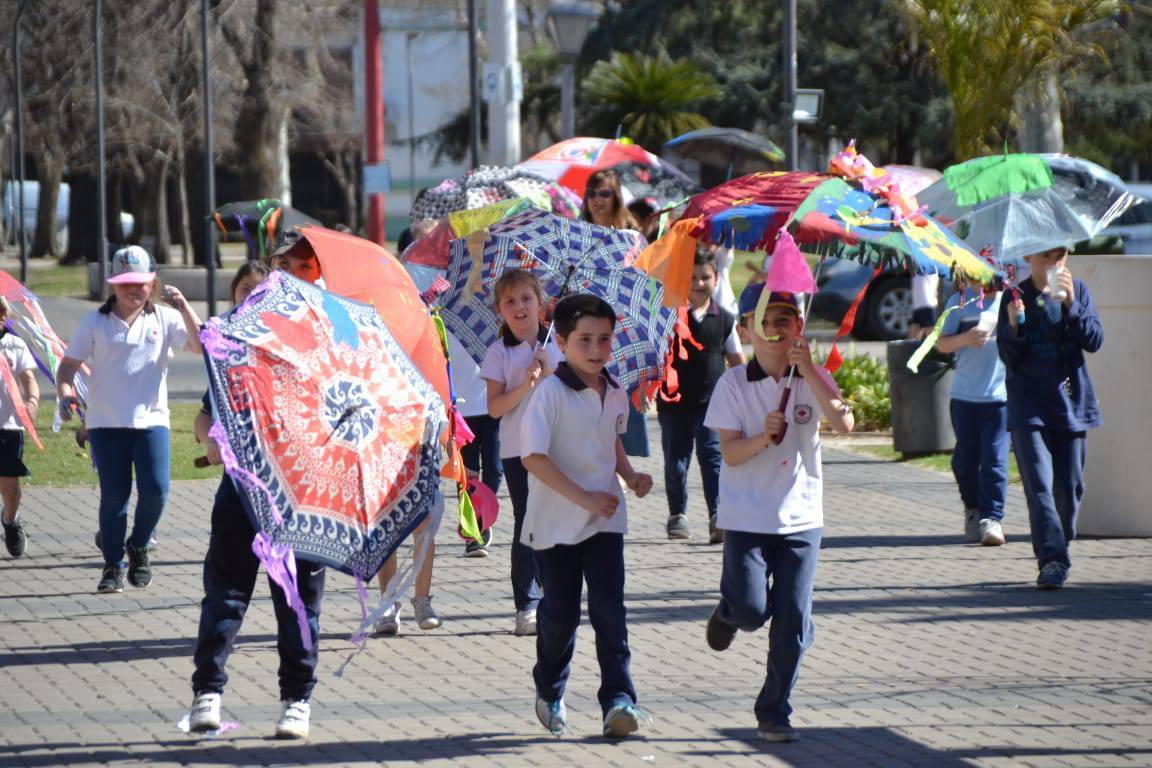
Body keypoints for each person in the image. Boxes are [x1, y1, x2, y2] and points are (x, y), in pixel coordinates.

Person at [703, 284, 854, 743]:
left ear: (798, 327)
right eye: (763, 322)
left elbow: (845, 422)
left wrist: (810, 369)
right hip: (747, 517)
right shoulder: (732, 384)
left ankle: (774, 709)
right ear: (745, 329)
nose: (773, 330)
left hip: (801, 519)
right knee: (752, 611)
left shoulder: (811, 374)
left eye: (784, 321)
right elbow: (728, 453)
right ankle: (729, 612)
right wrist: (762, 439)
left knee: (792, 620)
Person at [187, 260, 323, 739]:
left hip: (297, 500)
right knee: (225, 595)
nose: (252, 300)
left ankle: (297, 700)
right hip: (239, 494)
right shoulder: (229, 355)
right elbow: (206, 418)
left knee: (298, 605)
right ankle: (207, 691)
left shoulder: (308, 353)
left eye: (262, 292)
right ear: (234, 299)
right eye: (244, 291)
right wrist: (209, 440)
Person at [520, 294, 654, 738]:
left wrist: (630, 475)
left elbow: (609, 439)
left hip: (605, 522)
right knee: (560, 617)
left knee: (609, 611)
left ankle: (618, 699)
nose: (597, 349)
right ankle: (550, 689)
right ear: (560, 341)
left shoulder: (614, 390)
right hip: (555, 525)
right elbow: (533, 459)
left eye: (604, 339)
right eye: (584, 340)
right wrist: (585, 498)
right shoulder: (548, 395)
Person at [57, 245, 203, 594]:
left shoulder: (165, 318)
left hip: (152, 421)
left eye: (139, 283)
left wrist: (184, 308)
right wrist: (66, 394)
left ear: (152, 283)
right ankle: (112, 566)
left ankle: (138, 545)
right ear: (113, 285)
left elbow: (201, 345)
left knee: (156, 490)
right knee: (114, 497)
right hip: (106, 424)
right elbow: (68, 366)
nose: (132, 290)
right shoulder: (95, 321)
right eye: (125, 283)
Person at [997, 247, 1102, 590]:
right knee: (1039, 488)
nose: (1055, 266)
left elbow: (1094, 340)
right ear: (1028, 258)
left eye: (1061, 258)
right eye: (1046, 259)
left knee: (1069, 490)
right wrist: (1016, 325)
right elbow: (1008, 356)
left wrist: (1072, 305)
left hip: (1071, 402)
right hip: (1028, 406)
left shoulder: (1079, 291)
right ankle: (1053, 561)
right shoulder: (1015, 296)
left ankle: (1060, 540)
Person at [481, 269, 561, 636]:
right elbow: (495, 408)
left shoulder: (557, 346)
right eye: (510, 301)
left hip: (557, 446)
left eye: (526, 299)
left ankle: (554, 590)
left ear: (541, 304)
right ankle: (526, 604)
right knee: (527, 521)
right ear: (499, 309)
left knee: (555, 519)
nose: (519, 307)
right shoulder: (499, 352)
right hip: (518, 450)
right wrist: (525, 384)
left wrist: (550, 371)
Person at [658, 249, 744, 543]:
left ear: (716, 278)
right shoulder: (669, 317)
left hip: (713, 406)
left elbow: (737, 362)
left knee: (713, 460)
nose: (699, 283)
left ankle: (717, 516)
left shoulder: (725, 320)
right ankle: (677, 515)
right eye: (692, 277)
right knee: (676, 462)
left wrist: (750, 391)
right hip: (674, 405)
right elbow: (657, 358)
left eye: (705, 277)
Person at [580, 170, 649, 458]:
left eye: (604, 193)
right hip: (585, 326)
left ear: (617, 197)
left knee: (619, 400)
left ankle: (619, 464)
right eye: (592, 193)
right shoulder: (579, 233)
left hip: (622, 329)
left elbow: (643, 287)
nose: (597, 200)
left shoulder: (630, 238)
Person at [935, 286, 1008, 546]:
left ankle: (992, 518)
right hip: (964, 396)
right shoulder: (960, 302)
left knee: (994, 460)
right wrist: (965, 338)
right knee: (964, 463)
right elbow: (941, 342)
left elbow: (1024, 337)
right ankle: (973, 508)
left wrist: (1018, 317)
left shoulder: (1010, 301)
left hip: (1000, 398)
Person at [0, 297, 40, 559]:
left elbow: (29, 379)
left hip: (9, 426)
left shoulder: (14, 344)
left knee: (11, 491)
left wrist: (32, 400)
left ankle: (10, 520)